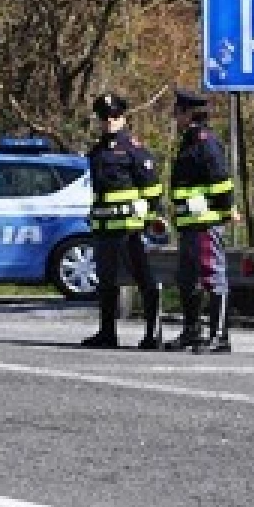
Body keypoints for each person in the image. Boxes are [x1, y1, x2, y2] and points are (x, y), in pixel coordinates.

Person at [81, 92, 164, 349]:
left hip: (131, 229)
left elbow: (152, 190)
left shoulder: (134, 150)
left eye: (114, 117)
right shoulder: (96, 152)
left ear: (123, 117)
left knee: (144, 280)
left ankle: (153, 333)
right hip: (105, 229)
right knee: (106, 282)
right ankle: (107, 332)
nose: (109, 122)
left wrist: (150, 222)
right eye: (105, 118)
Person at [166, 88, 236, 353]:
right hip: (189, 223)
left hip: (205, 222)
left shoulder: (205, 142)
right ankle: (192, 331)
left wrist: (225, 210)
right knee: (187, 278)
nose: (175, 117)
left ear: (189, 113)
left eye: (178, 112)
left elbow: (221, 181)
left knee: (212, 276)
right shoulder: (190, 141)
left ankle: (219, 335)